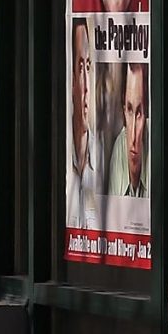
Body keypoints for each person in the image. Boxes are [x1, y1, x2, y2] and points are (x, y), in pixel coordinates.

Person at [66, 19, 102, 230]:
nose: (87, 86)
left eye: (89, 66)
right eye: (80, 68)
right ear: (71, 80)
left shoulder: (102, 161)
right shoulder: (61, 155)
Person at [108, 63, 150, 199]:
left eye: (139, 113)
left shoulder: (154, 145)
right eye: (130, 110)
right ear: (123, 109)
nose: (132, 137)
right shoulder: (118, 148)